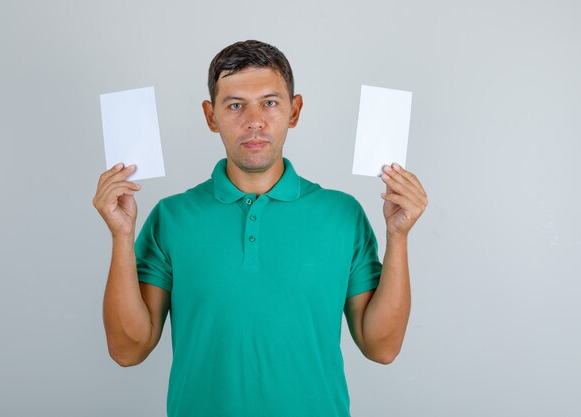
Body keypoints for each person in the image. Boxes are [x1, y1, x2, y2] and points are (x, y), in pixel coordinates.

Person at [92, 39, 427, 417]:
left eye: (270, 102)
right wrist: (121, 235)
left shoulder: (342, 215)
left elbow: (381, 347)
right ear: (211, 116)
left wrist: (398, 236)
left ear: (294, 110)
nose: (254, 121)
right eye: (235, 105)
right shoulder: (172, 217)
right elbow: (127, 349)